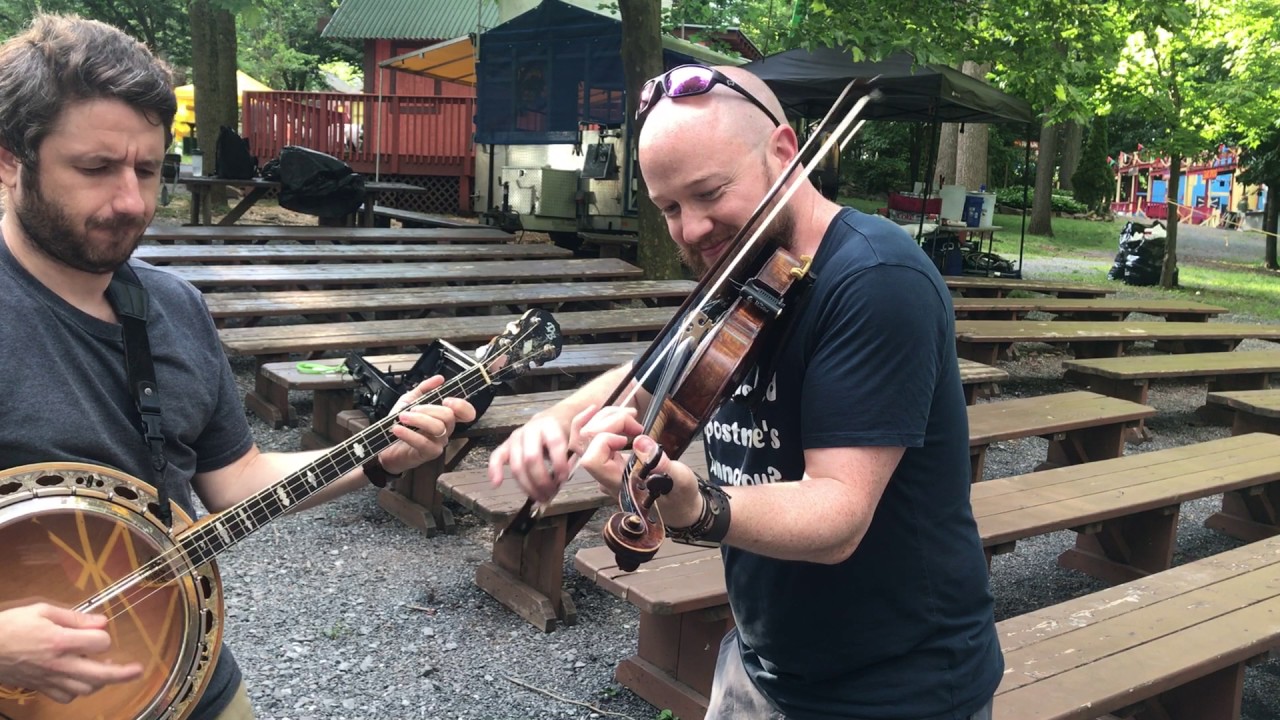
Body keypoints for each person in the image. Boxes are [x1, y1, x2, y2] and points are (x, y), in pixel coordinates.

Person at [489, 64, 1003, 719]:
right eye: (670, 208)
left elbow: (839, 515)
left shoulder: (877, 281)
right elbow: (650, 381)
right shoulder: (753, 272)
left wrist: (694, 504)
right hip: (764, 666)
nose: (692, 229)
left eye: (709, 193)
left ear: (784, 152)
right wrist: (557, 423)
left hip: (897, 691)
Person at [0, 14, 476, 719]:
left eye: (149, 170)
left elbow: (236, 481)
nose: (132, 201)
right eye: (95, 169)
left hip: (190, 680)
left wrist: (379, 454)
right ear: (10, 161)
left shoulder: (173, 308)